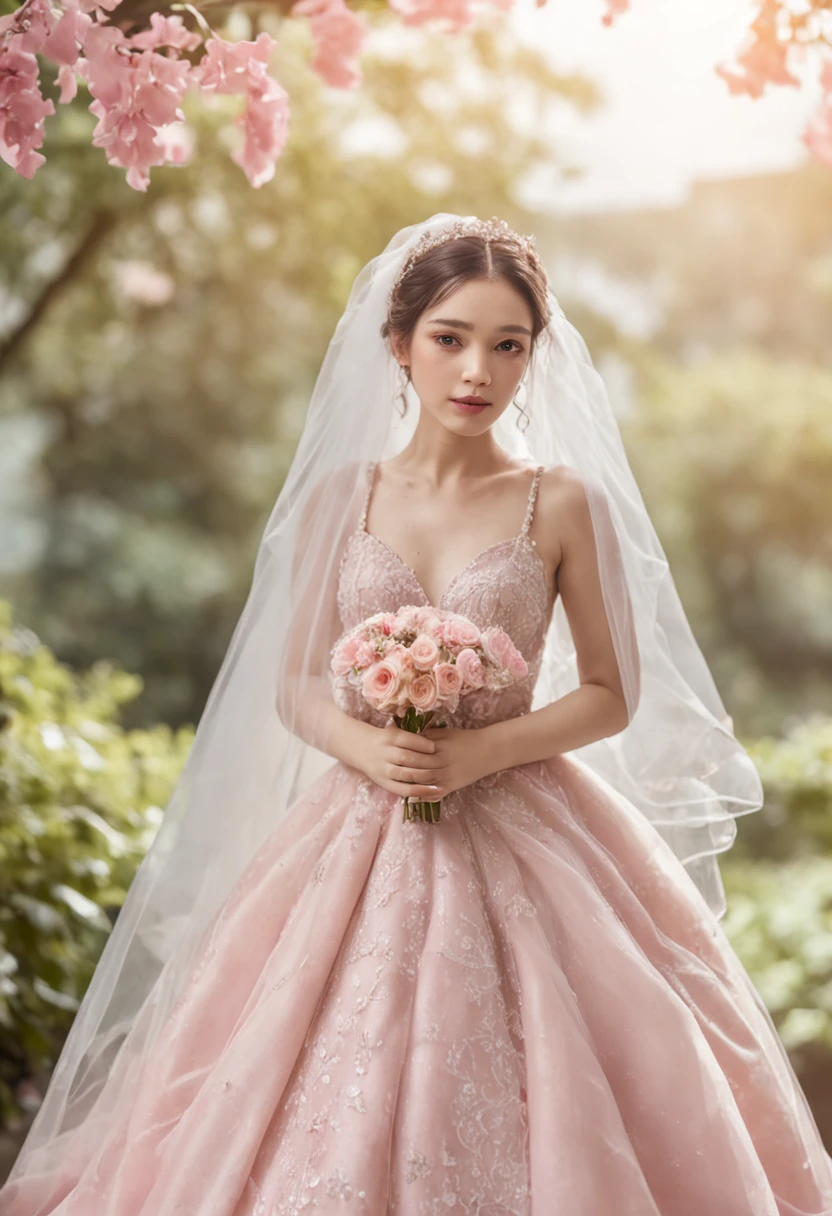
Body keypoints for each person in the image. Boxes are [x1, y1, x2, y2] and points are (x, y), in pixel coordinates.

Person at [2, 213, 831, 1215]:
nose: (477, 368)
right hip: (355, 825)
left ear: (533, 356)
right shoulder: (340, 499)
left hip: (528, 822)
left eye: (507, 344)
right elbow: (297, 682)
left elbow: (611, 694)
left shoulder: (560, 502)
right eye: (450, 337)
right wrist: (367, 745)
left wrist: (480, 750)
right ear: (398, 344)